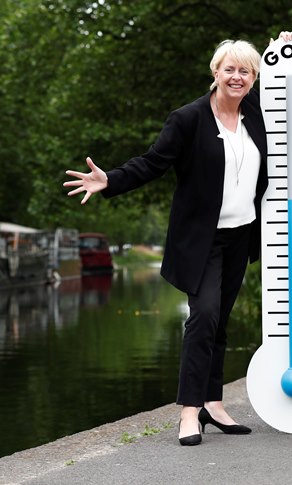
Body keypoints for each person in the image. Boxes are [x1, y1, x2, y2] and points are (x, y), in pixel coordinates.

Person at [63, 40, 268, 446]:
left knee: (220, 320)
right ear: (215, 72)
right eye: (229, 69)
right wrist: (110, 181)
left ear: (253, 78)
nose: (236, 77)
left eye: (245, 71)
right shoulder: (188, 118)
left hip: (241, 234)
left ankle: (213, 403)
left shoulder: (256, 114)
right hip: (202, 240)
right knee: (203, 316)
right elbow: (152, 162)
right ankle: (190, 412)